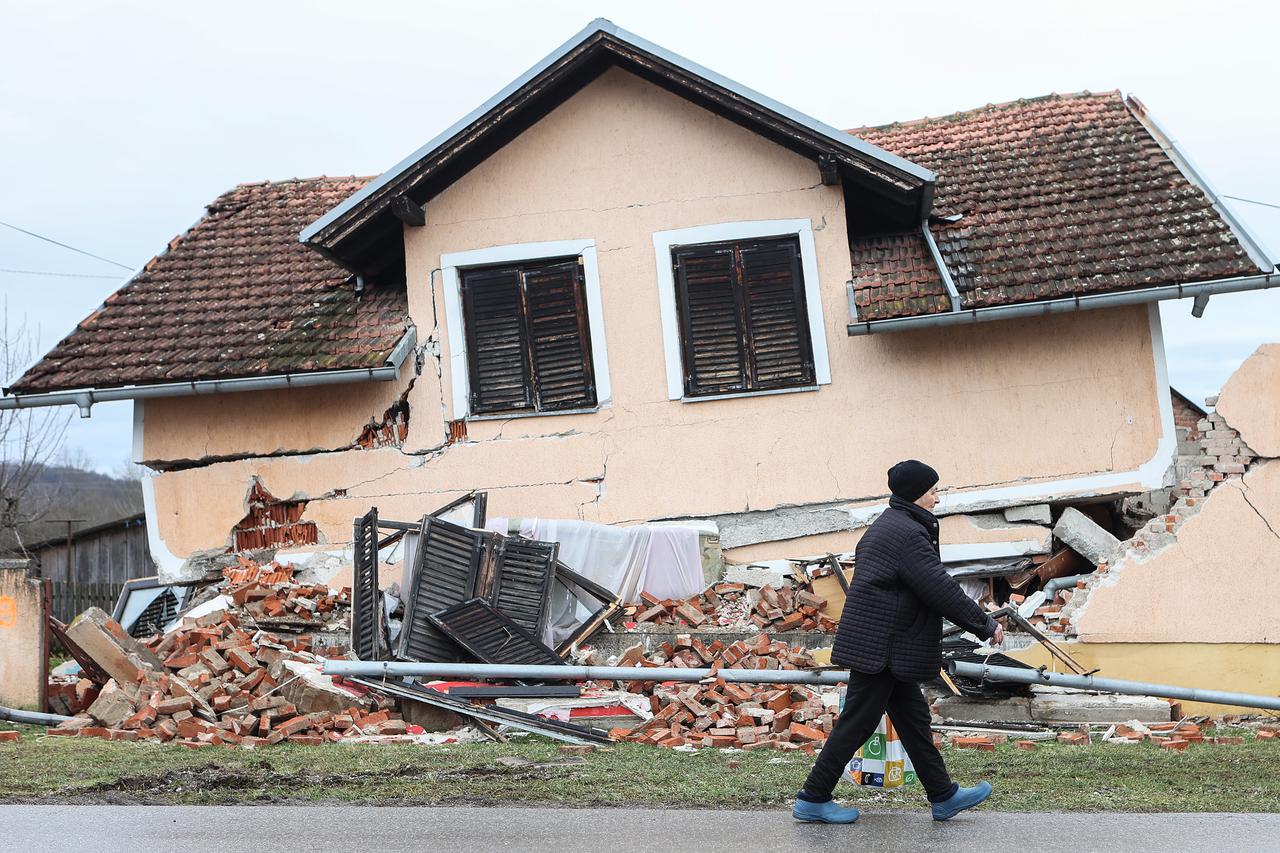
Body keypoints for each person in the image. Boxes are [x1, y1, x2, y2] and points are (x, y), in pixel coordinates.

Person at [793, 460, 1005, 824]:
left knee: (913, 720)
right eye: (934, 491)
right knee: (858, 722)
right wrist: (984, 624)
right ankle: (813, 797)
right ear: (917, 494)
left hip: (889, 644)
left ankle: (943, 795)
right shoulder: (906, 533)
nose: (938, 498)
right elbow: (937, 586)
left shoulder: (891, 525)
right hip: (884, 645)